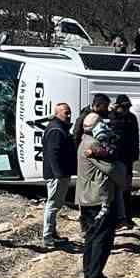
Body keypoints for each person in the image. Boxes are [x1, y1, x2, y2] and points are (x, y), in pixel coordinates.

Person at [78, 115, 126, 278]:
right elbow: (113, 169)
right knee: (101, 238)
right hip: (99, 199)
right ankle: (94, 275)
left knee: (92, 236)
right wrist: (123, 173)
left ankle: (90, 272)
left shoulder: (85, 141)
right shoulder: (93, 145)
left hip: (89, 198)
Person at [41, 101, 76, 248]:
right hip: (57, 175)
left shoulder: (59, 128)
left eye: (69, 112)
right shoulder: (56, 130)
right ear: (57, 113)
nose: (68, 115)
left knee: (56, 204)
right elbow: (53, 154)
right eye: (65, 113)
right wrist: (59, 174)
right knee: (53, 204)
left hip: (60, 174)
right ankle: (48, 237)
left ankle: (52, 234)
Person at [111, 93, 140, 227]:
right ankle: (118, 218)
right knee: (116, 190)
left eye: (128, 107)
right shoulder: (113, 117)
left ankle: (127, 217)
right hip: (116, 158)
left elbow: (135, 137)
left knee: (126, 190)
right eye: (124, 107)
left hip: (127, 159)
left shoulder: (131, 118)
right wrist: (115, 113)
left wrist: (135, 155)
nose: (126, 110)